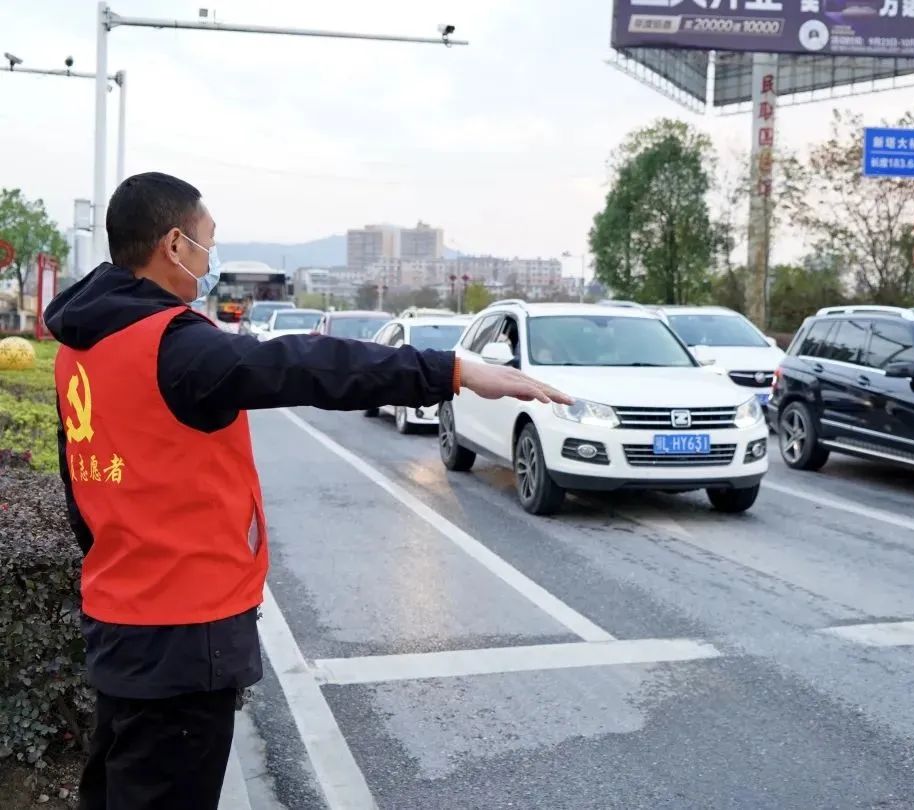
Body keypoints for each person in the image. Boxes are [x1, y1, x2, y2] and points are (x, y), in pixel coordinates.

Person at [45, 172, 570, 810]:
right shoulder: (177, 347)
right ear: (174, 245)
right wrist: (453, 371)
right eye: (208, 242)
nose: (211, 260)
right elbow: (309, 365)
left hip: (118, 620)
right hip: (184, 633)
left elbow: (78, 484)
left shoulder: (80, 348)